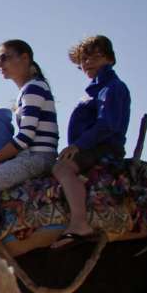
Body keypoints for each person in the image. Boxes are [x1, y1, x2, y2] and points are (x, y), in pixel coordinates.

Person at [0, 39, 59, 248]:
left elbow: (26, 137)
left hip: (36, 157)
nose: (0, 64)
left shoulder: (33, 89)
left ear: (25, 58)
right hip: (34, 156)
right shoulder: (30, 90)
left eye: (5, 58)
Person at [51, 35, 130, 244]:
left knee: (62, 169)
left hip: (103, 148)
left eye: (96, 56)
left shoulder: (112, 87)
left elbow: (107, 124)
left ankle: (79, 223)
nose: (88, 62)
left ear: (110, 59)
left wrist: (78, 145)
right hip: (90, 148)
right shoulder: (95, 89)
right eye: (84, 58)